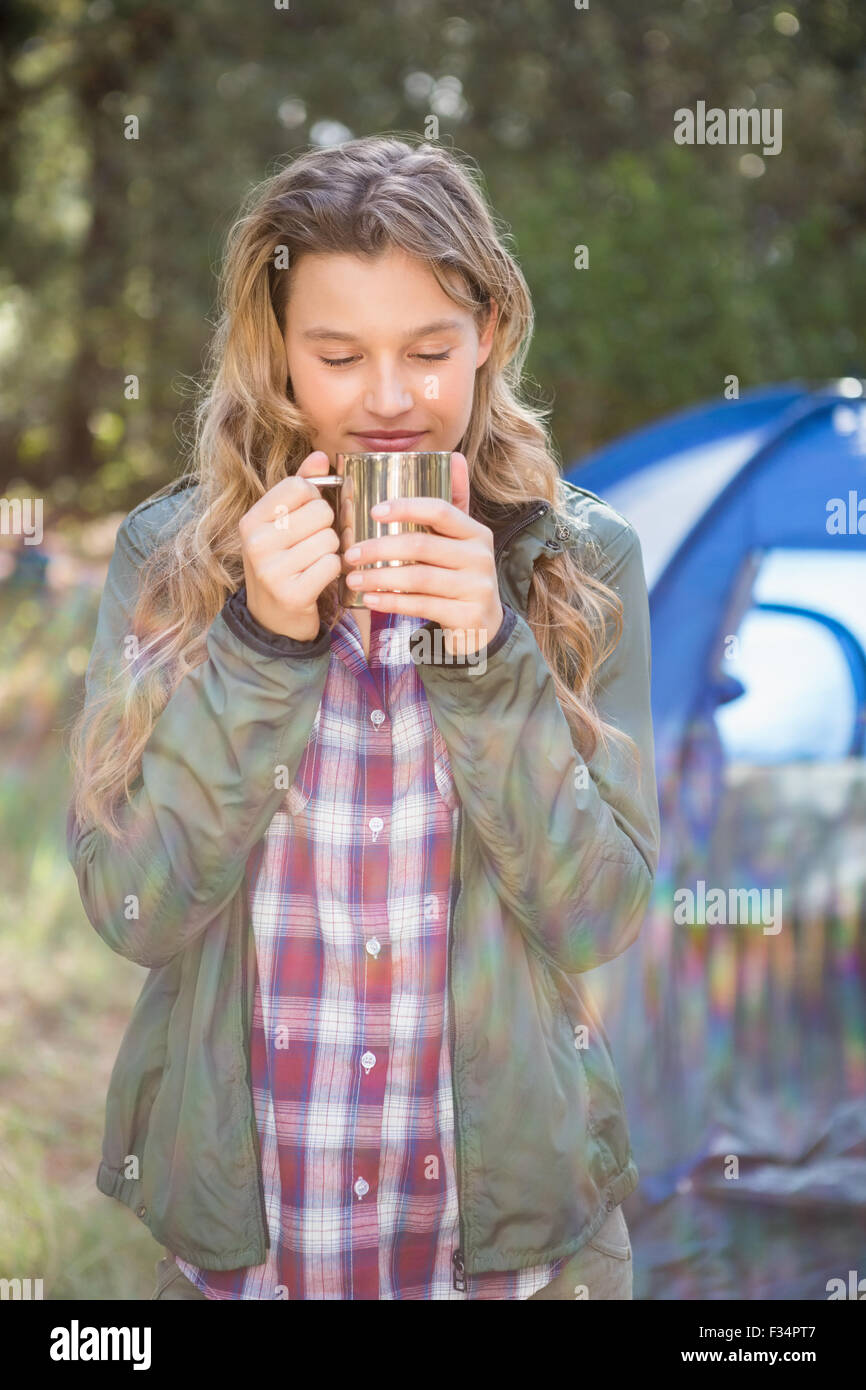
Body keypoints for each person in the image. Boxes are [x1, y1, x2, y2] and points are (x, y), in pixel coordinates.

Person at [66, 135, 660, 1300]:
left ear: (488, 330)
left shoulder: (578, 561)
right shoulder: (170, 557)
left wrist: (487, 658)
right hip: (257, 1257)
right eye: (337, 356)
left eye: (429, 351)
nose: (389, 398)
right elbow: (132, 905)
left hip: (514, 1265)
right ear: (277, 350)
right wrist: (257, 646)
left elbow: (598, 913)